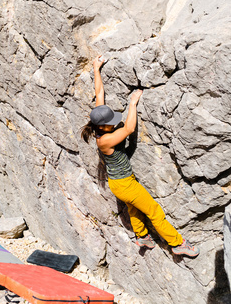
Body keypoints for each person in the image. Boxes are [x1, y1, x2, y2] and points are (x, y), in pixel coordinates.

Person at [81, 55, 200, 258]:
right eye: (111, 122)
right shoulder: (105, 140)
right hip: (125, 184)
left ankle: (142, 236)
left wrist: (96, 68)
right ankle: (177, 243)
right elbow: (128, 128)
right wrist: (133, 104)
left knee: (134, 209)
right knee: (153, 211)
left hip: (119, 183)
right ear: (102, 127)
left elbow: (99, 92)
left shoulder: (98, 116)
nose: (113, 122)